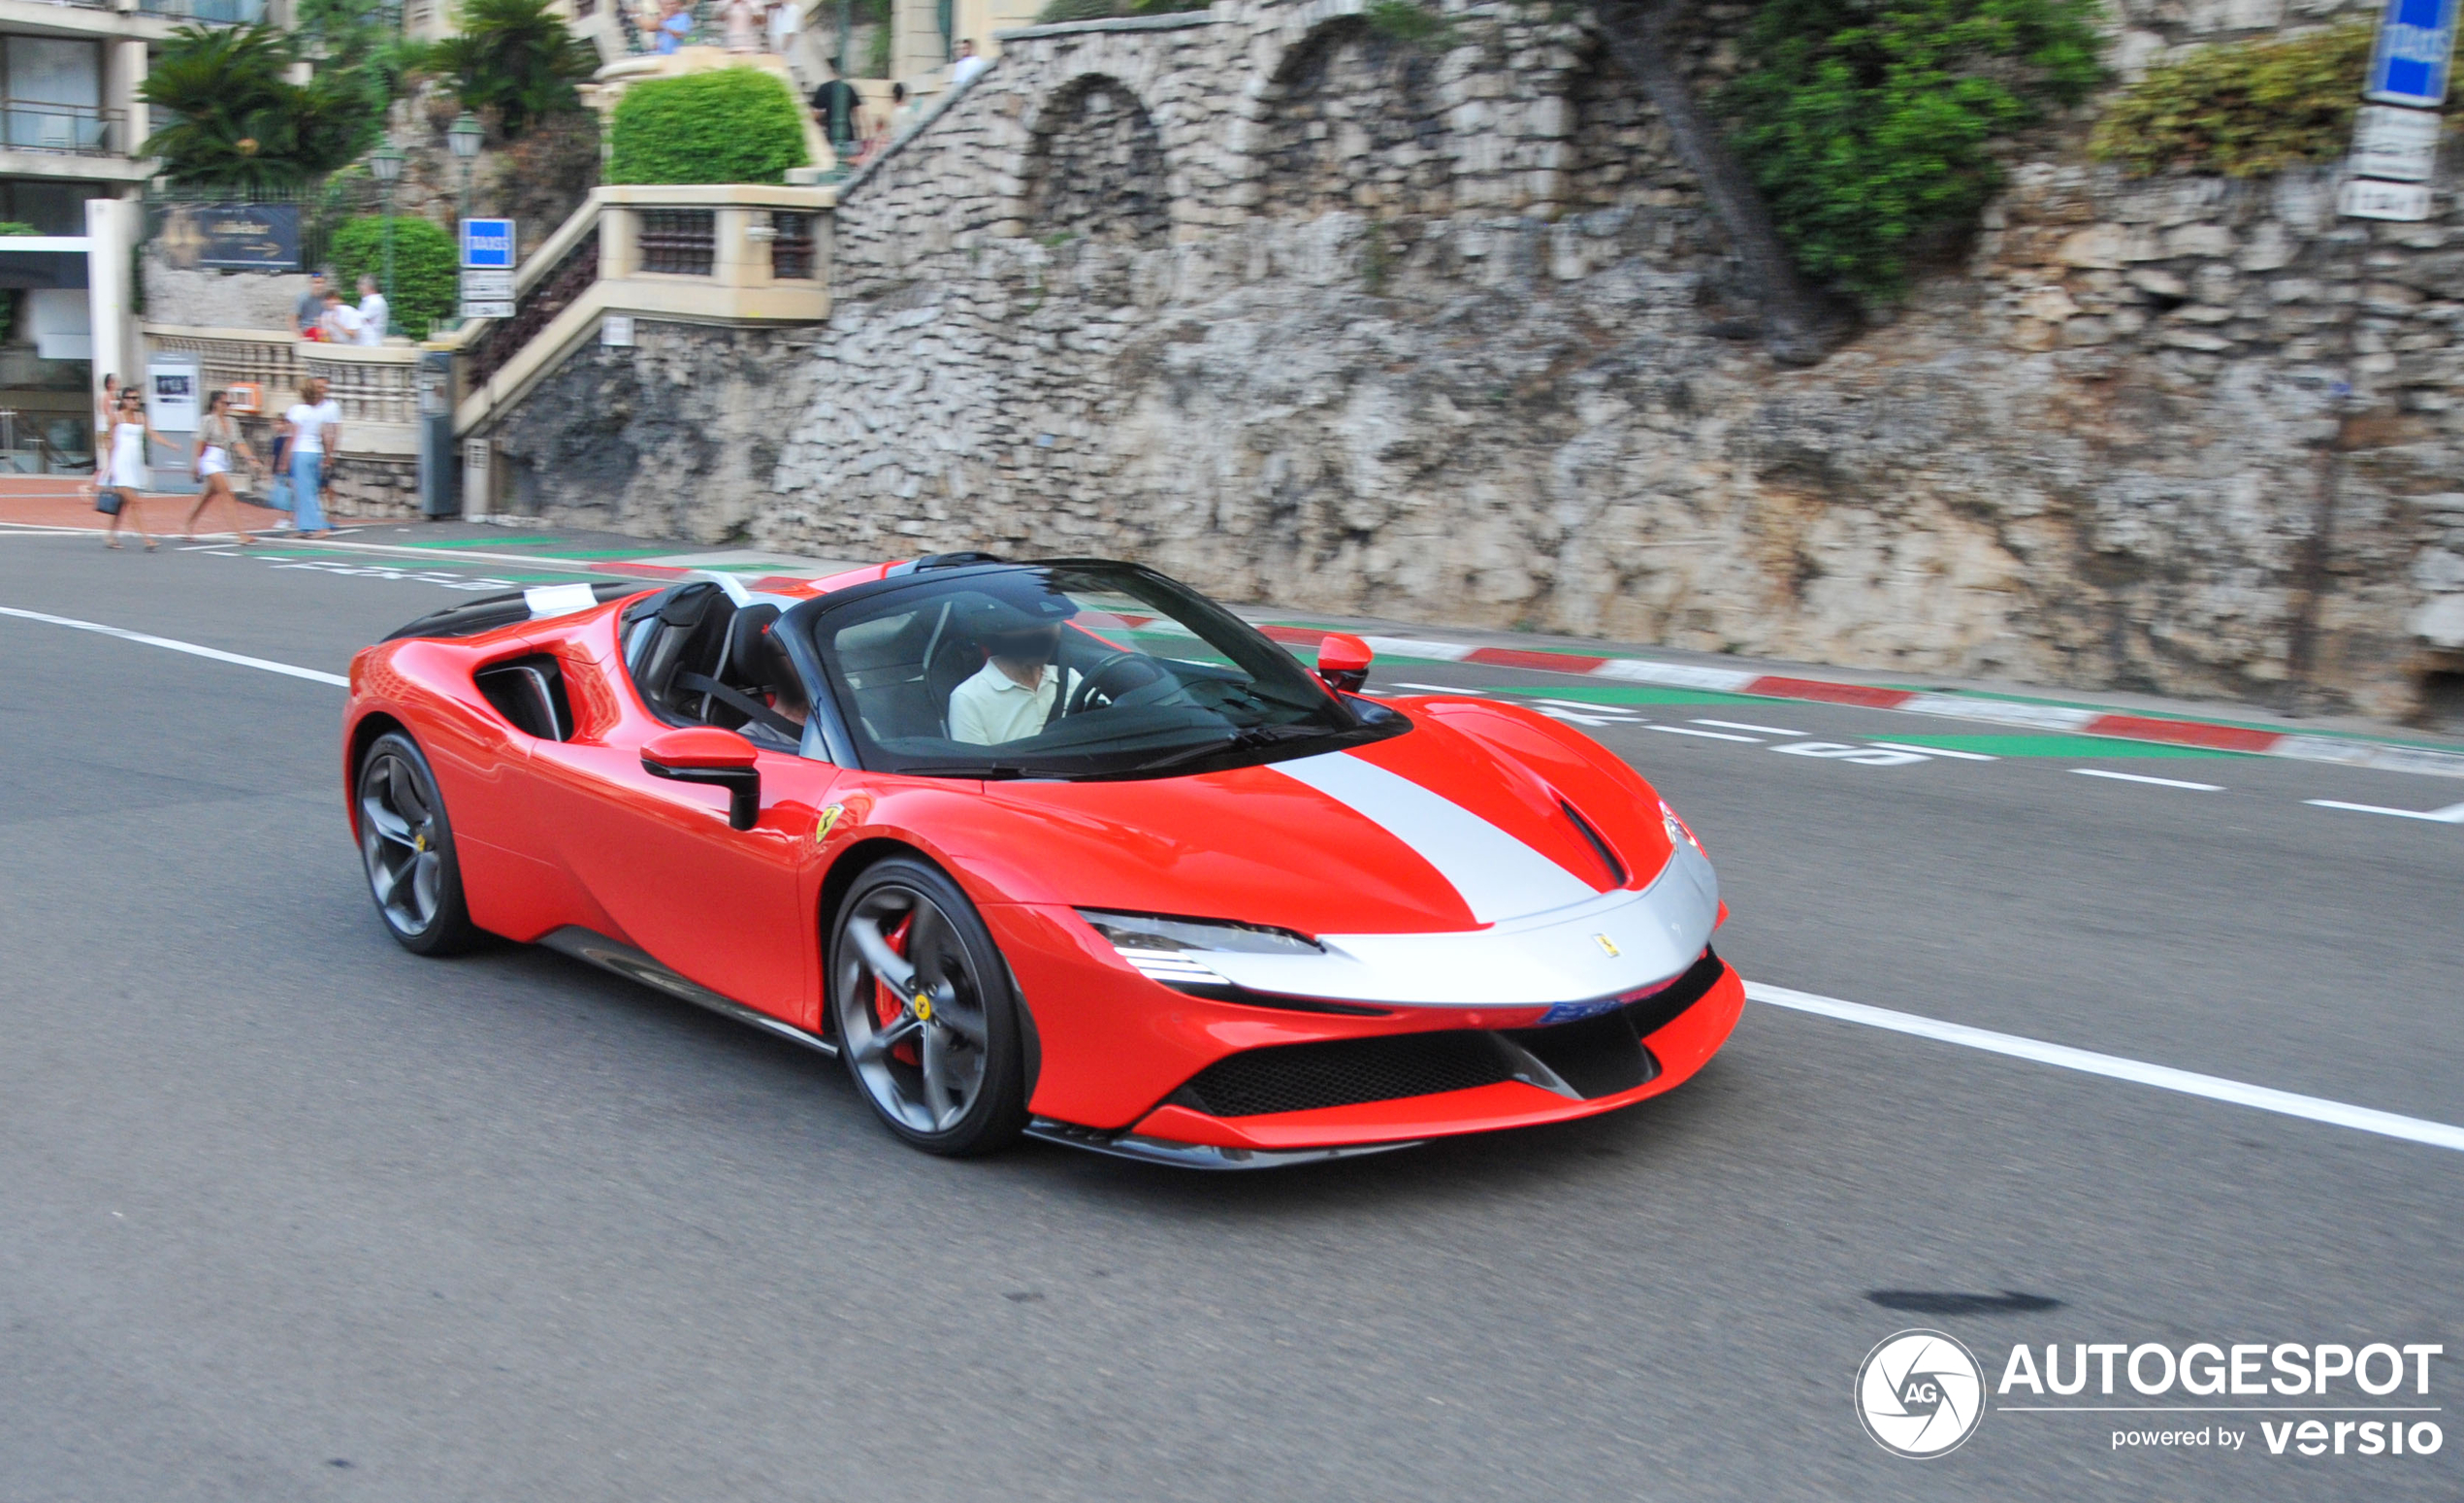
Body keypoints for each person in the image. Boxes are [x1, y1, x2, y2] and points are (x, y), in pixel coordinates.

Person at [949, 601, 1079, 745]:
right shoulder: (968, 698)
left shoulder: (1070, 678)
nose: (1044, 636)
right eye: (1031, 627)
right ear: (1002, 632)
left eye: (1050, 624)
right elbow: (977, 766)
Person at [182, 389, 270, 543]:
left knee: (207, 495)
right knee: (227, 493)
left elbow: (239, 443)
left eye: (229, 403)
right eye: (224, 402)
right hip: (209, 458)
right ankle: (240, 533)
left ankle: (187, 524)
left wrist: (251, 459)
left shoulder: (231, 422)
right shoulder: (207, 420)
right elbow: (200, 442)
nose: (227, 406)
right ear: (215, 403)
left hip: (223, 458)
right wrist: (196, 463)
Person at [281, 376, 343, 539]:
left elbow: (291, 438)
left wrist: (284, 460)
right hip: (315, 452)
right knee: (307, 491)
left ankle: (319, 527)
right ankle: (304, 526)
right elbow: (327, 436)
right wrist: (328, 455)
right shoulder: (319, 412)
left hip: (300, 452)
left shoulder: (297, 410)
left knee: (304, 492)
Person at [98, 390, 159, 551]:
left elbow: (152, 434)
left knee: (123, 504)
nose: (135, 401)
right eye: (131, 398)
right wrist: (110, 466)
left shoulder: (141, 418)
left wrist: (170, 445)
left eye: (137, 398)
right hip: (120, 464)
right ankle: (147, 539)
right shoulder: (115, 417)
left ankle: (110, 536)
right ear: (124, 400)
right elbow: (109, 442)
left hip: (134, 465)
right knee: (134, 502)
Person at [809, 56, 861, 155]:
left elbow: (815, 116)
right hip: (850, 138)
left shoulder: (822, 89)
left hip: (830, 139)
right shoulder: (849, 88)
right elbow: (859, 115)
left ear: (830, 70)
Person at [355, 274, 389, 345]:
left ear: (368, 286)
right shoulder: (370, 301)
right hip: (368, 343)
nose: (358, 287)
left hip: (370, 344)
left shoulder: (373, 302)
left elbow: (358, 320)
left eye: (361, 284)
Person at [294, 271, 329, 338]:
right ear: (310, 284)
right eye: (316, 283)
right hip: (307, 330)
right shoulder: (302, 298)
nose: (319, 286)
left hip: (324, 330)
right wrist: (300, 335)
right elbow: (293, 318)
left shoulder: (328, 298)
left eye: (322, 283)